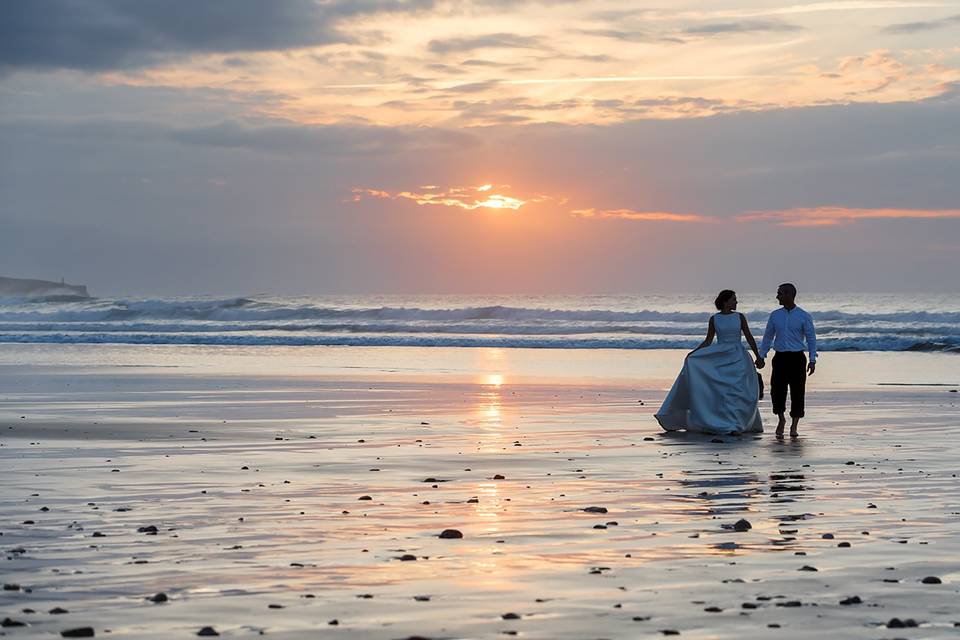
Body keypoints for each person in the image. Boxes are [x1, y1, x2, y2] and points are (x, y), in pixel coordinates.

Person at [655, 290, 763, 435]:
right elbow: (708, 340)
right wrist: (693, 354)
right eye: (733, 299)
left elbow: (749, 337)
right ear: (725, 301)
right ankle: (725, 422)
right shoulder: (714, 319)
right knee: (722, 392)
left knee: (739, 391)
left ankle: (738, 423)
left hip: (738, 356)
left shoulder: (740, 317)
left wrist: (758, 356)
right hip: (720, 355)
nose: (736, 302)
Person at [755, 283, 817, 438]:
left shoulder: (804, 316)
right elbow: (768, 337)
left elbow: (811, 338)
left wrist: (812, 359)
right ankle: (781, 419)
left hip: (797, 358)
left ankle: (794, 426)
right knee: (777, 391)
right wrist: (761, 356)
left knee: (798, 392)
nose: (777, 296)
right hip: (780, 358)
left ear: (789, 294)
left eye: (780, 293)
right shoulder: (775, 315)